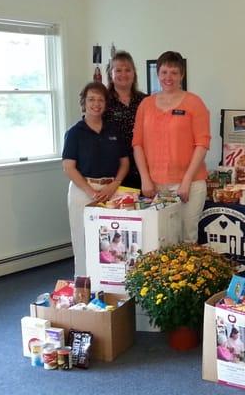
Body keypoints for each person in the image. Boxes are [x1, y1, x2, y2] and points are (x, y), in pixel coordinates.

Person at [133, 51, 210, 243]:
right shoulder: (146, 104)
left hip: (190, 184)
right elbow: (137, 144)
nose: (169, 77)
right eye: (164, 72)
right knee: (160, 239)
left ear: (182, 75)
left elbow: (202, 144)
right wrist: (145, 179)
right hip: (155, 185)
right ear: (157, 74)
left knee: (187, 239)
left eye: (174, 72)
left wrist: (186, 180)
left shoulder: (194, 103)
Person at [62, 82, 129, 276]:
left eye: (100, 100)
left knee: (112, 241)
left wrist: (115, 184)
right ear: (84, 103)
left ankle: (110, 287)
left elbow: (124, 162)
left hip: (111, 190)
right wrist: (90, 191)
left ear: (106, 104)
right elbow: (69, 167)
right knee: (83, 240)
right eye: (91, 99)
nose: (96, 104)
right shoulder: (75, 133)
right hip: (83, 190)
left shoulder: (113, 130)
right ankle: (83, 287)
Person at [103, 51, 147, 189]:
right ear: (111, 74)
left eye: (128, 70)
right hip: (113, 170)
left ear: (134, 73)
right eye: (118, 70)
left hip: (143, 169)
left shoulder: (146, 101)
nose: (123, 74)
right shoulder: (103, 101)